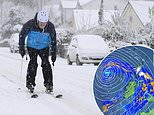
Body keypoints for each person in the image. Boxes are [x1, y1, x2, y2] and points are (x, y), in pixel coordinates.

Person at [19, 11, 57, 93]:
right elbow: (22, 35)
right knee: (33, 63)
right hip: (32, 46)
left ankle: (49, 84)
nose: (43, 25)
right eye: (41, 23)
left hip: (44, 47)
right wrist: (21, 48)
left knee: (46, 64)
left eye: (44, 23)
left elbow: (53, 40)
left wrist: (54, 53)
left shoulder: (50, 27)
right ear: (37, 21)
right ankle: (30, 84)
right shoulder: (30, 24)